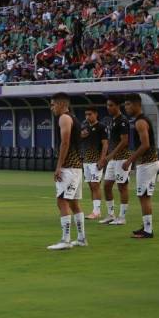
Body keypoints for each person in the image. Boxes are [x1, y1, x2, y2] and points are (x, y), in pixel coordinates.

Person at [47, 92, 86, 250]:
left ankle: (66, 240)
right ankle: (82, 238)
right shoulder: (74, 118)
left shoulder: (63, 118)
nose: (52, 107)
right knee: (74, 203)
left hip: (69, 166)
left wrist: (58, 167)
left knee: (61, 201)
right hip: (76, 166)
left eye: (53, 104)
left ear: (61, 104)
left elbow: (65, 142)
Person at [123, 94, 159, 239]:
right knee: (143, 195)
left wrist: (129, 160)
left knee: (144, 196)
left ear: (137, 105)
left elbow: (145, 145)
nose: (126, 107)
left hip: (148, 163)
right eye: (125, 105)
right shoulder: (139, 121)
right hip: (147, 163)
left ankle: (148, 231)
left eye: (128, 104)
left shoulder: (140, 122)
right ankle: (146, 226)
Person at [99, 96, 131, 225]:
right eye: (107, 105)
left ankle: (122, 217)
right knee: (107, 186)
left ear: (118, 106)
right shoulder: (113, 120)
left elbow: (124, 141)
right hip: (113, 159)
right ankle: (111, 214)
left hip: (122, 158)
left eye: (111, 105)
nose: (108, 107)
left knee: (122, 187)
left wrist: (109, 156)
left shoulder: (123, 120)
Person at [80, 107, 108, 220]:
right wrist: (82, 135)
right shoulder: (84, 126)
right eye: (86, 114)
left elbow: (105, 144)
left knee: (95, 185)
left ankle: (97, 211)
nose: (87, 117)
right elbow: (79, 139)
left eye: (90, 114)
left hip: (96, 160)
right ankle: (95, 210)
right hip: (86, 160)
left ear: (96, 114)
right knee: (91, 186)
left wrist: (102, 159)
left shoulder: (101, 127)